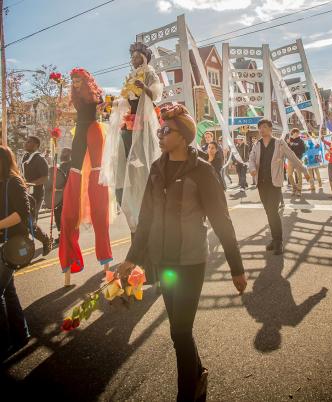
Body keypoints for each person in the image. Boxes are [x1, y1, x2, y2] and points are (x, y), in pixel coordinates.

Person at [118, 105, 247, 402]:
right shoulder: (156, 168)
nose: (161, 135)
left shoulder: (202, 171)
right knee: (180, 329)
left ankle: (186, 392)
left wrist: (236, 267)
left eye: (167, 130)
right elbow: (146, 219)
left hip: (190, 260)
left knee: (179, 329)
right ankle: (198, 373)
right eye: (160, 130)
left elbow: (221, 220)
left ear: (184, 136)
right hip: (164, 260)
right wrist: (132, 258)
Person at [100, 41, 162, 237]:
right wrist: (111, 103)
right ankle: (131, 202)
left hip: (143, 124)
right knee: (126, 160)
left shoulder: (150, 72)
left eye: (137, 56)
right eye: (132, 56)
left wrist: (143, 86)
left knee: (142, 162)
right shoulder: (129, 77)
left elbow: (155, 95)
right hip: (129, 124)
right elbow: (126, 101)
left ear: (144, 57)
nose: (133, 59)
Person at [59, 68, 112, 286]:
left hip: (93, 131)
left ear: (85, 80)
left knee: (97, 178)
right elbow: (74, 114)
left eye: (78, 79)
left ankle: (106, 260)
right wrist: (62, 115)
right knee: (76, 174)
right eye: (73, 80)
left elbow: (102, 106)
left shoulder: (94, 96)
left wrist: (109, 105)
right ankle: (69, 264)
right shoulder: (74, 96)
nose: (75, 82)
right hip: (80, 134)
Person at [249, 119, 308, 254]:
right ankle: (274, 239)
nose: (261, 129)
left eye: (264, 127)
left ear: (270, 129)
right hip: (261, 183)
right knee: (269, 212)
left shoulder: (279, 143)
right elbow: (251, 159)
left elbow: (292, 156)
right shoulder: (256, 145)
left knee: (273, 211)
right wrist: (252, 169)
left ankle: (279, 241)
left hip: (274, 183)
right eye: (260, 128)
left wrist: (304, 170)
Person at [0, 146, 31, 360]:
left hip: (12, 245)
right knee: (8, 292)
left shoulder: (14, 182)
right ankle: (21, 334)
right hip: (3, 244)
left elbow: (22, 214)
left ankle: (4, 341)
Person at [21, 136, 51, 255]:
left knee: (31, 222)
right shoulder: (25, 157)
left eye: (29, 142)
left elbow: (45, 178)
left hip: (36, 195)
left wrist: (30, 183)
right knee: (23, 222)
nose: (26, 143)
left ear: (36, 145)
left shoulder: (40, 159)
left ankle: (45, 240)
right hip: (25, 193)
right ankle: (24, 250)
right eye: (26, 141)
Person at [45, 148, 72, 245]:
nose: (63, 153)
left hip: (67, 196)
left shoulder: (71, 165)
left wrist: (60, 190)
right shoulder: (59, 165)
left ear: (70, 153)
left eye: (66, 151)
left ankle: (67, 236)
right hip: (58, 197)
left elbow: (70, 182)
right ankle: (61, 235)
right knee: (58, 217)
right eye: (63, 151)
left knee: (64, 217)